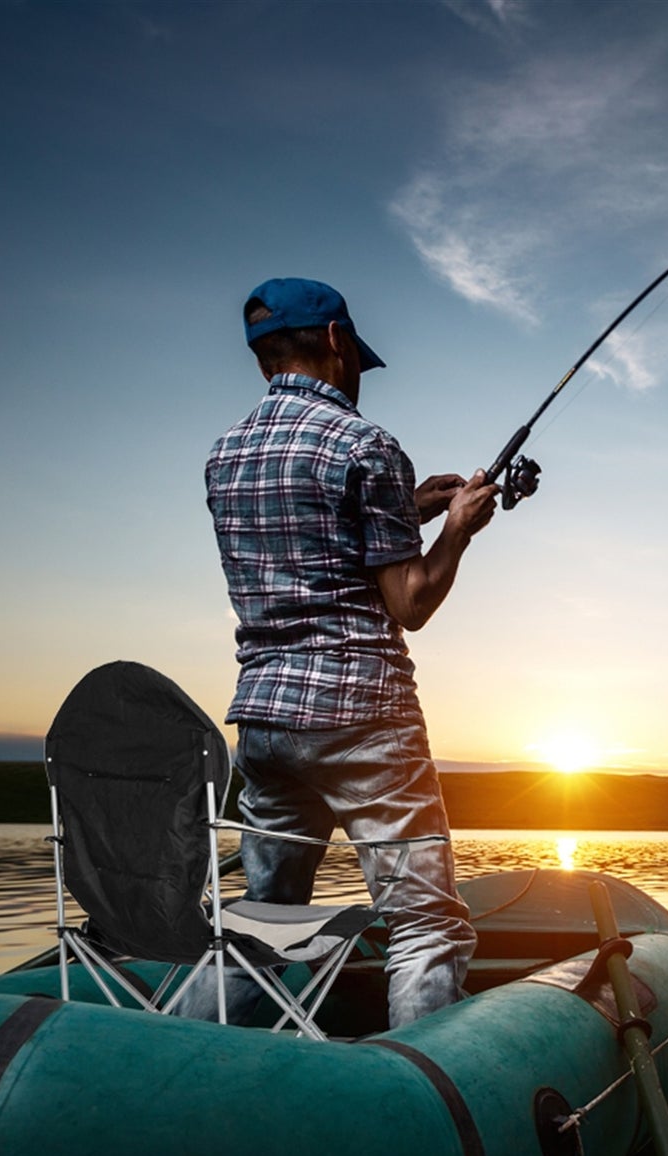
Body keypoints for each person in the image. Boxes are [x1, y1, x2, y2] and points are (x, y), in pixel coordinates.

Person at [205, 276, 499, 1028]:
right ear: (336, 341)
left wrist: (406, 506)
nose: (359, 374)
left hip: (265, 718)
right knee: (425, 923)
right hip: (363, 714)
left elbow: (309, 544)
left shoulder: (225, 456)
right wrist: (456, 527)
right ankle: (422, 1097)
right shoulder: (366, 444)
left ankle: (189, 1064)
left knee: (262, 921)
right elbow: (410, 602)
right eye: (357, 359)